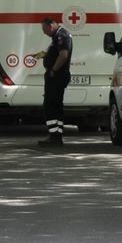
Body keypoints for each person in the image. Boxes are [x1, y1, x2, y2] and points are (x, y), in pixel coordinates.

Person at [37, 15, 72, 146]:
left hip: (56, 76)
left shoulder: (61, 36)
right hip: (58, 76)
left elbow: (63, 56)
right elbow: (48, 52)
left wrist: (53, 70)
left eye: (44, 28)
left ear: (50, 25)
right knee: (56, 105)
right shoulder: (57, 37)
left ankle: (54, 136)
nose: (43, 32)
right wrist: (36, 56)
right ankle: (56, 136)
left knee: (50, 106)